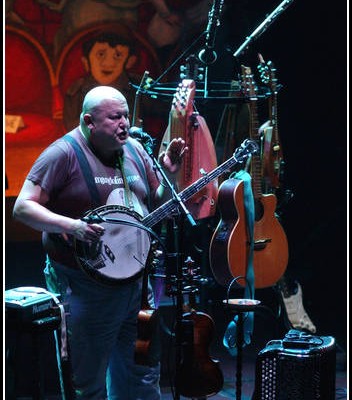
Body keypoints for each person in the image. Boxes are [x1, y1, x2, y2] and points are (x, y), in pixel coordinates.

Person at [13, 85, 188, 399]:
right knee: (87, 383)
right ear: (88, 121)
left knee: (141, 379)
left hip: (137, 286)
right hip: (84, 288)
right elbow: (22, 207)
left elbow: (156, 205)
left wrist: (171, 177)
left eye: (125, 115)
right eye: (114, 117)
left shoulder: (135, 150)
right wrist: (74, 226)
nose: (124, 123)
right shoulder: (62, 153)